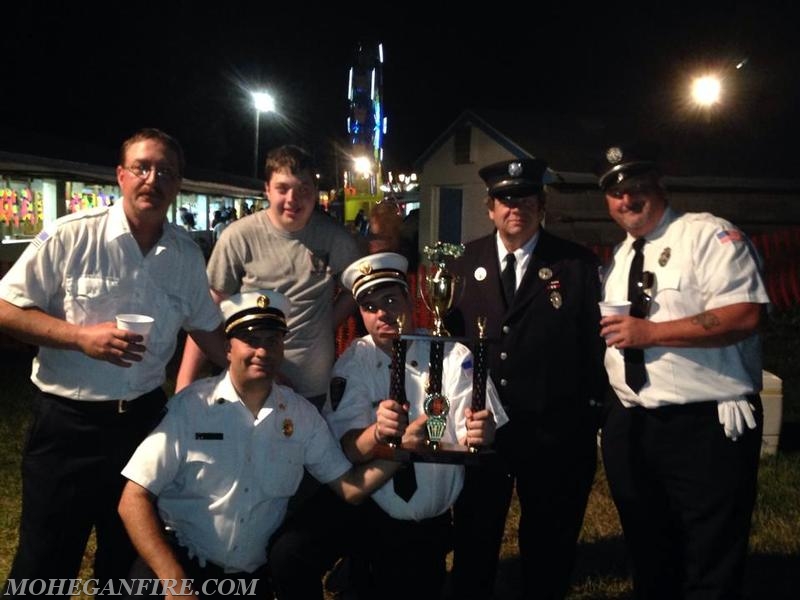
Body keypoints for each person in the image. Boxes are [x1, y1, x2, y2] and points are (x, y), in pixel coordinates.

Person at [0, 128, 228, 596]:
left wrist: (262, 373)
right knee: (45, 561)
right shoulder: (71, 236)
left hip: (142, 425)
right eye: (142, 168)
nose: (153, 179)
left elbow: (208, 328)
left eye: (166, 171)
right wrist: (80, 337)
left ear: (178, 184)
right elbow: (5, 308)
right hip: (68, 426)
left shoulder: (184, 255)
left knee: (128, 563)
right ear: (121, 176)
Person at [118, 290, 398, 599]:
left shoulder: (301, 416)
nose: (263, 351)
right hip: (182, 565)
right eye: (252, 340)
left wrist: (402, 451)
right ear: (227, 348)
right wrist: (174, 582)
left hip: (249, 580)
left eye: (272, 340)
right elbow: (133, 499)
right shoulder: (191, 408)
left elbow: (350, 487)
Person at [269, 252, 508, 600]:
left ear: (412, 301)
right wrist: (378, 434)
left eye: (391, 300)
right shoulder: (355, 360)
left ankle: (363, 573)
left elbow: (479, 430)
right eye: (369, 306)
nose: (382, 313)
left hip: (420, 518)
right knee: (290, 553)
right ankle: (356, 568)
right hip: (369, 502)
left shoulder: (453, 356)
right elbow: (347, 447)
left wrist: (482, 434)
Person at [596, 141, 768, 599]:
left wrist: (650, 334)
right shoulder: (622, 256)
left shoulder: (708, 237)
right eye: (616, 192)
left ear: (659, 185)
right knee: (649, 547)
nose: (626, 199)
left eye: (635, 187)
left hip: (702, 425)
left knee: (709, 553)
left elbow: (745, 315)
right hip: (634, 421)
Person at [446, 158, 608, 599]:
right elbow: (449, 344)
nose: (516, 206)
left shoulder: (575, 264)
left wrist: (592, 414)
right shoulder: (463, 263)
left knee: (549, 546)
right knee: (475, 541)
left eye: (527, 198)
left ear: (542, 204)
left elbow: (595, 347)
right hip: (482, 429)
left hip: (554, 430)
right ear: (490, 207)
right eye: (506, 198)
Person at [176, 145, 362, 409]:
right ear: (267, 190)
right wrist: (184, 382)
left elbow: (357, 288)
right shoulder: (238, 237)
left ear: (315, 192)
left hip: (311, 386)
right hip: (248, 382)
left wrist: (326, 322)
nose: (292, 199)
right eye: (282, 188)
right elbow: (207, 310)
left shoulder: (336, 239)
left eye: (303, 189)